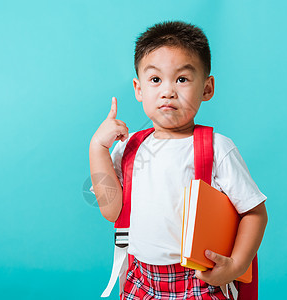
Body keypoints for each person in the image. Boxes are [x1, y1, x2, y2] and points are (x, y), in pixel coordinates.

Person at [89, 21, 268, 299]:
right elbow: (112, 211)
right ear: (138, 89)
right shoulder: (130, 147)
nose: (168, 91)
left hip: (201, 280)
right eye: (155, 80)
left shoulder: (218, 148)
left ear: (207, 88)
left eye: (182, 79)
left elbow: (254, 213)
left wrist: (236, 265)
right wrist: (98, 147)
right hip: (142, 279)